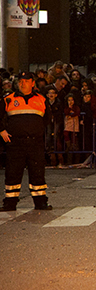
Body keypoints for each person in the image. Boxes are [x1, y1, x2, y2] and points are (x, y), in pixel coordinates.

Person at [1, 72, 53, 211]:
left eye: (26, 81)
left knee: (37, 172)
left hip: (35, 142)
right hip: (15, 143)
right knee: (13, 172)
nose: (23, 83)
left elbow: (47, 118)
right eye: (20, 81)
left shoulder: (41, 99)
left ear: (32, 83)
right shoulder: (8, 99)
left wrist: (36, 130)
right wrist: (2, 130)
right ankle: (10, 203)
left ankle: (40, 202)